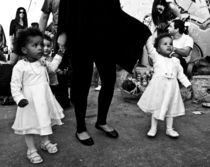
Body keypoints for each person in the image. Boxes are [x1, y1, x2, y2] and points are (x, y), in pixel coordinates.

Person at [57, 0, 151, 146]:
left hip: (105, 37)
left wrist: (139, 28)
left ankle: (101, 121)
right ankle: (80, 128)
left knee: (109, 80)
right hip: (80, 35)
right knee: (82, 83)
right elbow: (66, 6)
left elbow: (115, 11)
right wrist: (62, 32)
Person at [10, 28, 64, 164]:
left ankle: (45, 142)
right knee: (29, 126)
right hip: (28, 102)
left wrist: (60, 53)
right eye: (35, 45)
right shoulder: (20, 66)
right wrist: (19, 99)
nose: (40, 48)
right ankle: (31, 150)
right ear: (24, 50)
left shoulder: (43, 61)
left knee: (45, 121)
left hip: (44, 99)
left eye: (41, 44)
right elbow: (14, 86)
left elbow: (52, 68)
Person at [137, 33, 192, 138]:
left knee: (171, 109)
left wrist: (188, 85)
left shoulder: (176, 61)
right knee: (156, 107)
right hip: (159, 89)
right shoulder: (156, 57)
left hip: (172, 89)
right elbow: (149, 45)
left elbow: (181, 74)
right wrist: (150, 35)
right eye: (164, 44)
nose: (168, 45)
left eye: (170, 43)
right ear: (157, 48)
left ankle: (169, 129)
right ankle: (153, 128)